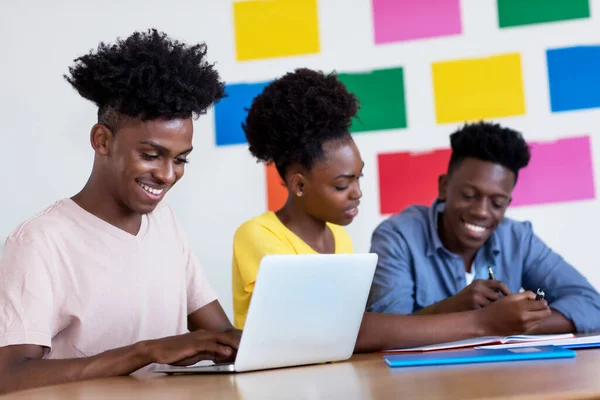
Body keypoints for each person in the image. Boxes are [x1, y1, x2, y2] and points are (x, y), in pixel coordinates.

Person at [231, 69, 552, 352]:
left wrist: (455, 308)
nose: (358, 193)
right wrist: (481, 322)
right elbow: (335, 331)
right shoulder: (259, 236)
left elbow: (368, 328)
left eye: (359, 178)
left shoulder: (339, 240)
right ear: (299, 185)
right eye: (343, 184)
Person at [0, 29, 240, 394]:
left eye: (180, 159)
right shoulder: (39, 241)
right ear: (102, 140)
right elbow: (9, 375)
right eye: (151, 155)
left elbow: (220, 334)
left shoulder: (165, 223)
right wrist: (144, 352)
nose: (167, 174)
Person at [367, 121, 600, 334]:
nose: (481, 211)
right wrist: (468, 314)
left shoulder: (517, 238)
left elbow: (591, 304)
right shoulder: (397, 237)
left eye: (497, 203)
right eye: (469, 195)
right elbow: (384, 331)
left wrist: (515, 323)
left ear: (508, 203)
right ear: (444, 187)